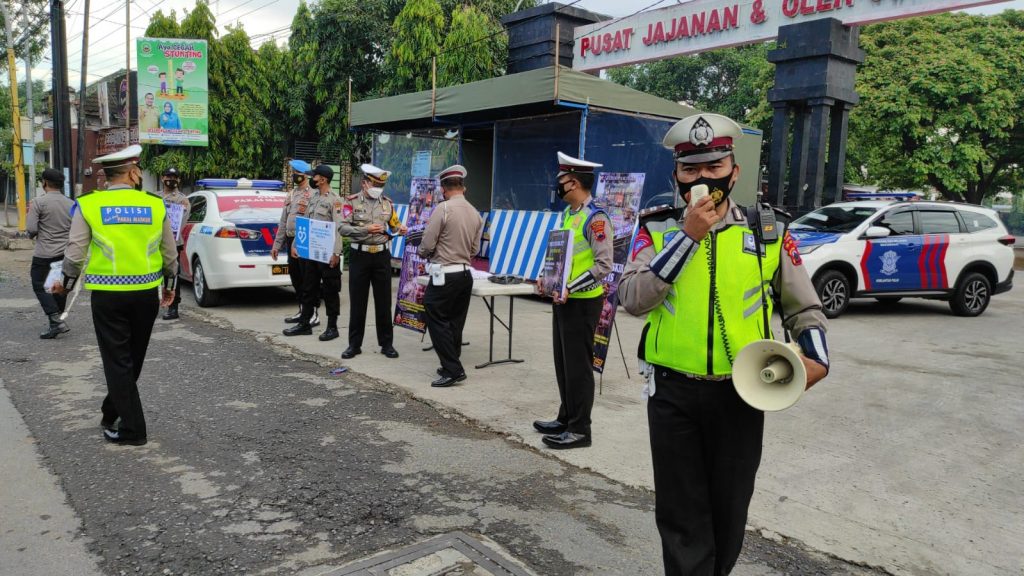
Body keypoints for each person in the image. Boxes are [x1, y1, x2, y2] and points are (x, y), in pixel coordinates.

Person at [618, 113, 830, 575]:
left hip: (742, 392)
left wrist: (818, 359)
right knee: (681, 514)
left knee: (730, 510)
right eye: (690, 169)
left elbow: (803, 307)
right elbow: (632, 299)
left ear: (734, 172)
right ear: (676, 175)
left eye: (714, 167)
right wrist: (688, 236)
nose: (703, 179)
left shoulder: (767, 230)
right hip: (672, 394)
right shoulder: (655, 230)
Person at [50, 144, 178, 446]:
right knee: (132, 358)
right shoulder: (154, 205)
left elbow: (75, 252)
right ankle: (118, 416)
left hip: (108, 296)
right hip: (146, 294)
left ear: (107, 176)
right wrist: (170, 289)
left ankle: (127, 425)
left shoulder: (89, 205)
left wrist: (64, 287)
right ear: (134, 173)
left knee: (118, 361)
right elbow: (169, 253)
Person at [532, 152, 613, 450]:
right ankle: (566, 417)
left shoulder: (596, 219)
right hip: (563, 298)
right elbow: (559, 253)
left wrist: (570, 287)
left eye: (562, 181)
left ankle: (581, 429)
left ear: (574, 182)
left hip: (582, 302)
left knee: (579, 367)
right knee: (563, 363)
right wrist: (545, 276)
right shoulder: (569, 214)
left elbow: (603, 265)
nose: (558, 186)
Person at [416, 165, 483, 388]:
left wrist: (424, 253)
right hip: (464, 274)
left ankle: (453, 369)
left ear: (444, 189)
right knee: (455, 321)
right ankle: (450, 363)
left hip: (444, 273)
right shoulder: (475, 213)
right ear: (464, 188)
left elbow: (427, 243)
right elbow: (474, 250)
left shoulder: (442, 209)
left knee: (435, 316)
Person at [338, 164, 406, 359]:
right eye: (375, 183)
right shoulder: (350, 203)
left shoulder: (387, 203)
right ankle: (354, 345)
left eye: (381, 185)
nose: (378, 188)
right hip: (360, 256)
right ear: (365, 183)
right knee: (358, 302)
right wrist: (365, 230)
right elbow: (342, 228)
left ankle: (387, 344)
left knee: (384, 302)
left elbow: (395, 224)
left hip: (382, 257)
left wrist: (401, 229)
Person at [282, 164, 343, 340]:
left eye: (315, 176)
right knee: (308, 288)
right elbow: (305, 223)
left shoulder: (335, 200)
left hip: (328, 254)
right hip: (311, 252)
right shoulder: (313, 198)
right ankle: (304, 324)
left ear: (322, 179)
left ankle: (332, 327)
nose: (312, 179)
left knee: (331, 290)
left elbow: (339, 228)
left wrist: (336, 253)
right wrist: (295, 244)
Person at [27, 168, 74, 339]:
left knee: (39, 285)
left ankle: (56, 320)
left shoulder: (38, 202)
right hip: (65, 253)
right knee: (58, 286)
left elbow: (31, 229)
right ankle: (57, 322)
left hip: (43, 254)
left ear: (45, 183)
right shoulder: (71, 203)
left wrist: (32, 234)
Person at [272, 159, 319, 326]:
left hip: (305, 240)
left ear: (305, 176)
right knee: (296, 277)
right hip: (291, 239)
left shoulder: (314, 194)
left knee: (308, 278)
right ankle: (302, 310)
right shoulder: (291, 194)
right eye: (293, 174)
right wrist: (277, 245)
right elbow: (283, 221)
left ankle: (313, 312)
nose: (294, 177)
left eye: (297, 174)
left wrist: (300, 241)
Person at [160, 167, 190, 320]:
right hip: (154, 242)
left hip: (173, 242)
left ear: (178, 180)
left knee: (171, 275)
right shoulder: (155, 197)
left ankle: (173, 307)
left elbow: (180, 222)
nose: (170, 179)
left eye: (174, 177)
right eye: (168, 176)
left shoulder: (182, 200)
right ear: (162, 178)